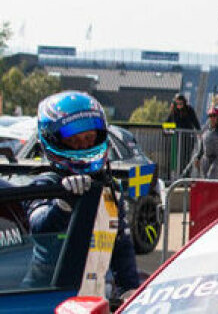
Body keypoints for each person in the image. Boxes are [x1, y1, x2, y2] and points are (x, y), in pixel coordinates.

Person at [23, 91, 139, 296]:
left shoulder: (109, 188)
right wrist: (63, 203)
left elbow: (121, 249)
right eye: (74, 140)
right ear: (53, 140)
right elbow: (39, 229)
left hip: (91, 300)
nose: (84, 146)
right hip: (46, 298)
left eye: (89, 138)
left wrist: (130, 291)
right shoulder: (45, 184)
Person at [194, 107, 218, 180]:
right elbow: (202, 146)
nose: (212, 118)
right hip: (207, 157)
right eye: (210, 116)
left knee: (212, 174)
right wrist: (198, 157)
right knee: (204, 177)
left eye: (214, 116)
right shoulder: (205, 129)